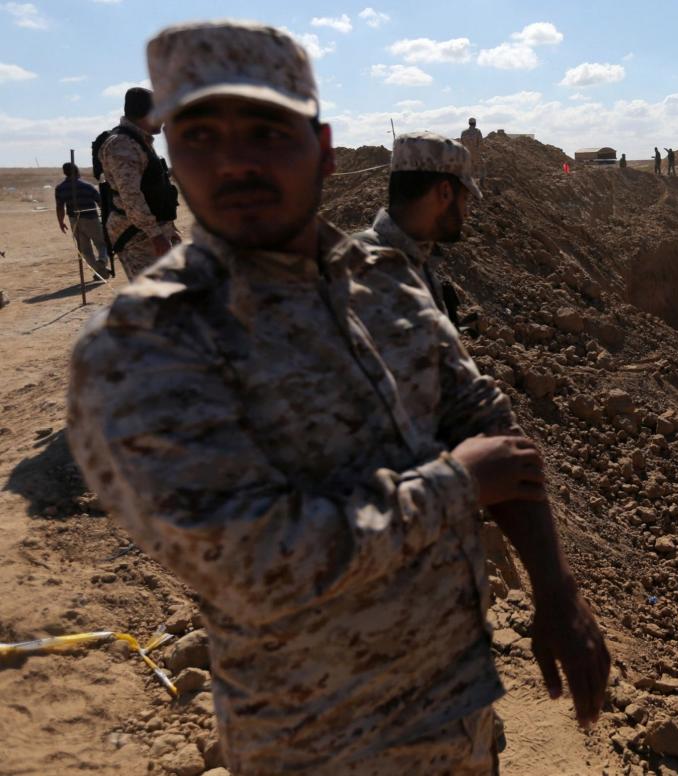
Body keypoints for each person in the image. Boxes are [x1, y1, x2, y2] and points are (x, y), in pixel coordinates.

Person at [67, 20, 608, 775]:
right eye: (199, 137)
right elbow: (253, 561)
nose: (236, 163)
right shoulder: (141, 345)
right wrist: (456, 487)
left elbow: (487, 422)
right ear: (171, 161)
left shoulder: (385, 282)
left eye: (265, 131)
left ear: (320, 150)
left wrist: (556, 593)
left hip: (459, 718)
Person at [354, 133, 474, 328]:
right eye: (465, 200)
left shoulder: (415, 260)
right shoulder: (367, 269)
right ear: (445, 192)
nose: (467, 213)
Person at [97, 86, 180, 280]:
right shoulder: (122, 144)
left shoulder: (139, 142)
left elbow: (153, 187)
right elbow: (131, 196)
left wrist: (168, 230)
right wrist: (156, 235)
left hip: (153, 231)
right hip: (138, 236)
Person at [55, 162, 111, 279]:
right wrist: (107, 218)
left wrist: (61, 222)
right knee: (102, 244)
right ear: (77, 171)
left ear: (65, 173)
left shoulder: (60, 188)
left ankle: (99, 270)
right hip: (91, 219)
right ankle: (102, 262)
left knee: (85, 250)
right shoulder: (88, 186)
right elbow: (101, 203)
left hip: (74, 221)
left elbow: (60, 207)